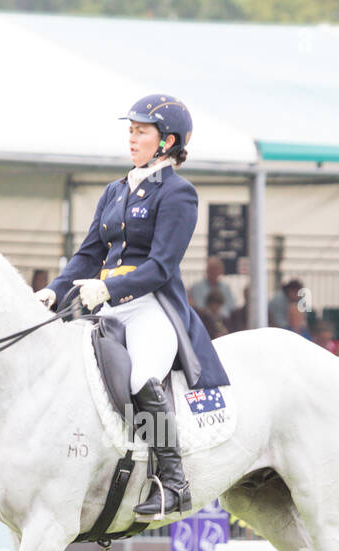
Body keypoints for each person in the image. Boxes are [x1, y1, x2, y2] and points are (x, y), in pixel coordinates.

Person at [34, 94, 228, 518]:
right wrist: (54, 290)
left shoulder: (179, 194)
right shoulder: (115, 191)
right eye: (131, 130)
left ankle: (173, 482)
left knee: (142, 378)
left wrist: (109, 288)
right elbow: (88, 255)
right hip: (108, 304)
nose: (132, 137)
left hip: (152, 306)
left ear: (166, 141)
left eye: (141, 131)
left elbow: (161, 266)